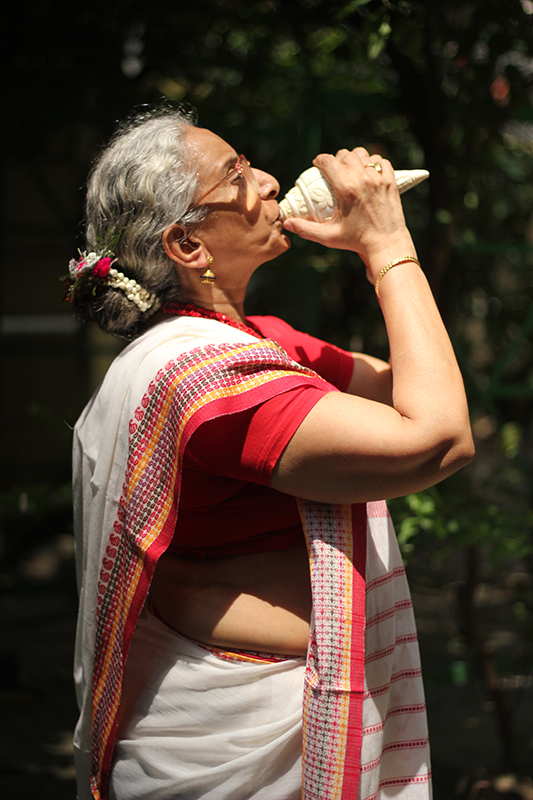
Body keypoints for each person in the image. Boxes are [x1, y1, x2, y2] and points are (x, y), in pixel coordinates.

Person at [70, 107, 474, 800]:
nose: (265, 180)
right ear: (187, 245)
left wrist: (374, 249)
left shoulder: (262, 343)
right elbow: (439, 437)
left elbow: (413, 387)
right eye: (236, 175)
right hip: (231, 730)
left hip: (282, 703)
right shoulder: (212, 382)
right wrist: (387, 247)